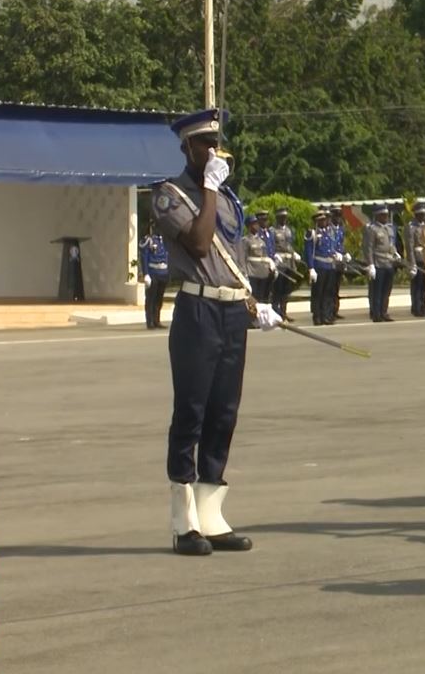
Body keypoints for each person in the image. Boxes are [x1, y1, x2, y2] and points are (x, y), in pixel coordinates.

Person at [151, 108, 281, 556]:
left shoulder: (226, 198)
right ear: (187, 147)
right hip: (197, 311)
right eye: (204, 144)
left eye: (215, 144)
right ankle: (183, 522)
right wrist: (208, 187)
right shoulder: (170, 195)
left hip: (229, 314)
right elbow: (201, 243)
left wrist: (253, 304)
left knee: (224, 412)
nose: (212, 151)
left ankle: (211, 513)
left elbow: (232, 259)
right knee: (192, 411)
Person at [362, 205, 401, 322]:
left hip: (389, 262)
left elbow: (391, 244)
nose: (386, 217)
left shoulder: (390, 228)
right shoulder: (372, 229)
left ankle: (384, 312)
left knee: (386, 290)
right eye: (383, 215)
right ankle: (376, 313)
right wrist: (370, 264)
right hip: (378, 263)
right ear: (377, 216)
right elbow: (368, 248)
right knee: (376, 291)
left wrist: (396, 253)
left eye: (386, 215)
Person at [304, 210, 339, 326]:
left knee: (328, 292)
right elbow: (309, 252)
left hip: (329, 266)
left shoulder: (328, 233)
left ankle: (326, 315)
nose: (324, 222)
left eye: (325, 220)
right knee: (318, 292)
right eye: (321, 220)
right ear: (317, 221)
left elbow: (331, 248)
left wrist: (337, 254)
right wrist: (311, 268)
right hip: (319, 266)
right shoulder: (312, 233)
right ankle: (317, 316)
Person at [269, 207, 299, 322]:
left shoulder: (289, 230)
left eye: (285, 217)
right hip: (279, 262)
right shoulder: (273, 231)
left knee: (286, 290)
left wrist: (294, 253)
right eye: (281, 218)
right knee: (277, 289)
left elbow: (290, 245)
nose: (284, 220)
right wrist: (274, 256)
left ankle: (284, 312)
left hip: (289, 262)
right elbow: (270, 246)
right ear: (277, 218)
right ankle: (276, 313)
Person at [140, 221, 170, 329]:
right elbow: (144, 258)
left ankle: (157, 320)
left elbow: (167, 256)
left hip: (163, 272)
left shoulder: (165, 240)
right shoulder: (148, 240)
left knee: (159, 299)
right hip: (153, 272)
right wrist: (146, 274)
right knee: (151, 299)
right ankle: (150, 322)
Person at [242, 215, 275, 310]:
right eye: (253, 224)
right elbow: (243, 258)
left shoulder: (262, 241)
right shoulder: (245, 240)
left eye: (256, 224)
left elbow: (265, 256)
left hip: (263, 272)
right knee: (254, 296)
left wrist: (270, 264)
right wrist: (244, 273)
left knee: (262, 296)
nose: (256, 226)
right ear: (249, 226)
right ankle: (252, 318)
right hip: (252, 272)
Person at [406, 205, 425, 318]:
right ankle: (416, 308)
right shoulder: (411, 227)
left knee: (424, 285)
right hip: (417, 258)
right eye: (421, 214)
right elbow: (409, 246)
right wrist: (412, 263)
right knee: (417, 286)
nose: (423, 216)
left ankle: (423, 307)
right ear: (416, 214)